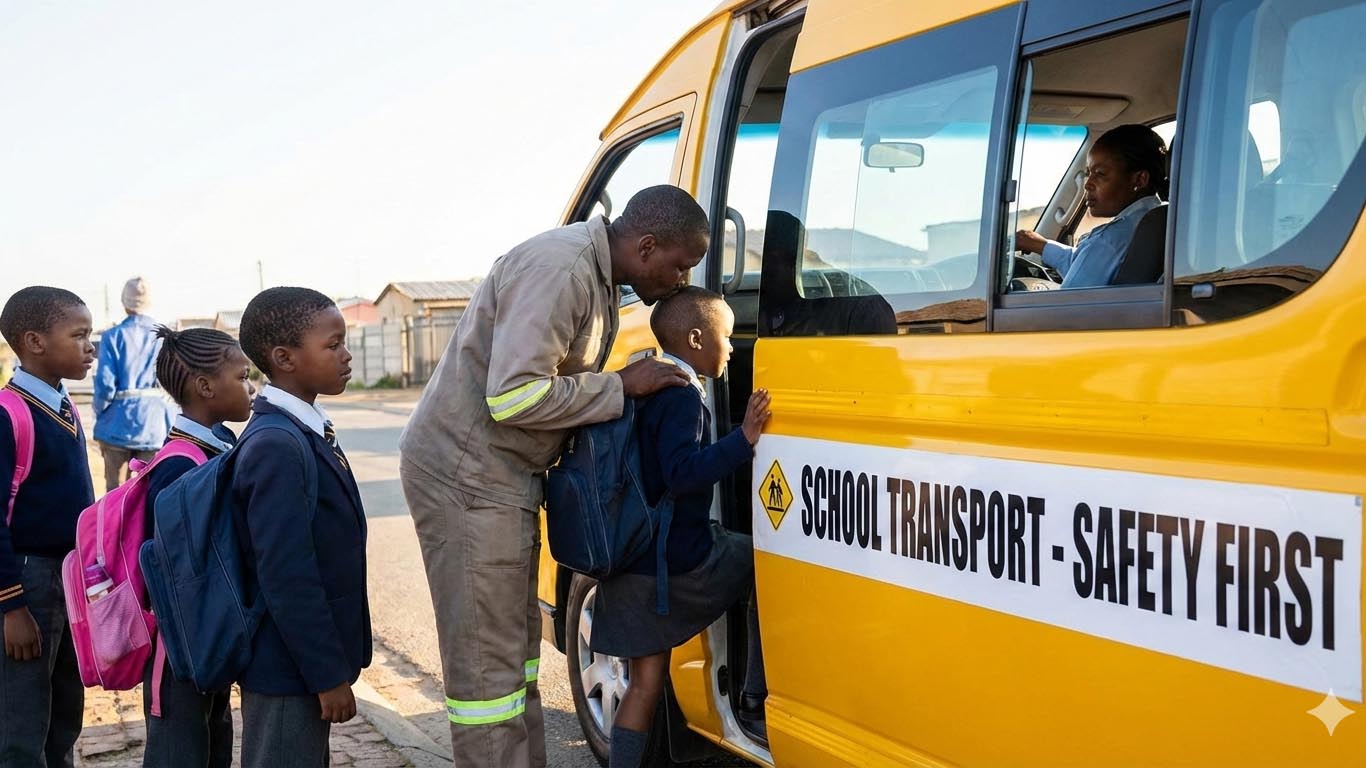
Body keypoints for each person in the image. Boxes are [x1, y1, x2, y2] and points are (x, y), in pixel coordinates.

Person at [399, 184, 708, 767]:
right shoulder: (561, 270)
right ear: (646, 246)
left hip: (501, 477)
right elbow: (512, 398)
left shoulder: (597, 274)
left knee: (515, 661)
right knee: (489, 678)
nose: (682, 280)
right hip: (467, 479)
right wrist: (619, 386)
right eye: (680, 264)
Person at [591, 287, 771, 767]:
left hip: (634, 556)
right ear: (696, 339)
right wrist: (744, 439)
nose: (732, 347)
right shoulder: (683, 397)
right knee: (762, 563)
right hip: (676, 560)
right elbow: (682, 472)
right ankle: (755, 690)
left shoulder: (647, 386)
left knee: (644, 683)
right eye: (726, 337)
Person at [233, 287, 370, 768]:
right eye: (333, 345)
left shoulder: (303, 428)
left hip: (299, 663)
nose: (347, 354)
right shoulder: (276, 443)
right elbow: (286, 573)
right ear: (284, 358)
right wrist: (325, 674)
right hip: (289, 668)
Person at [140, 326, 255, 768]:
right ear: (206, 386)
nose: (251, 387)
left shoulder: (220, 445)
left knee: (214, 745)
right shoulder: (179, 465)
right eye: (243, 376)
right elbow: (175, 574)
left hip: (210, 635)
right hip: (181, 644)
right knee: (179, 751)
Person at [0, 286, 96, 767]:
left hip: (67, 576)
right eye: (78, 335)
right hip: (28, 582)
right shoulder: (8, 414)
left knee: (65, 712)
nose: (90, 346)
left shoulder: (62, 404)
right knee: (22, 720)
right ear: (35, 342)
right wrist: (11, 606)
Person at [1015, 124, 1168, 288]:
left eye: (1100, 174)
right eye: (1089, 173)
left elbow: (1066, 306)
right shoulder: (1159, 220)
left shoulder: (1109, 240)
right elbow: (1090, 265)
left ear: (1139, 180)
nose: (1087, 184)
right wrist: (1040, 245)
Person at [93, 276, 174, 491]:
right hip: (154, 425)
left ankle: (116, 526)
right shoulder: (164, 338)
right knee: (148, 490)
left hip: (115, 426)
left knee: (115, 492)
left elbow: (105, 384)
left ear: (124, 302)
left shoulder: (112, 336)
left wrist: (99, 412)